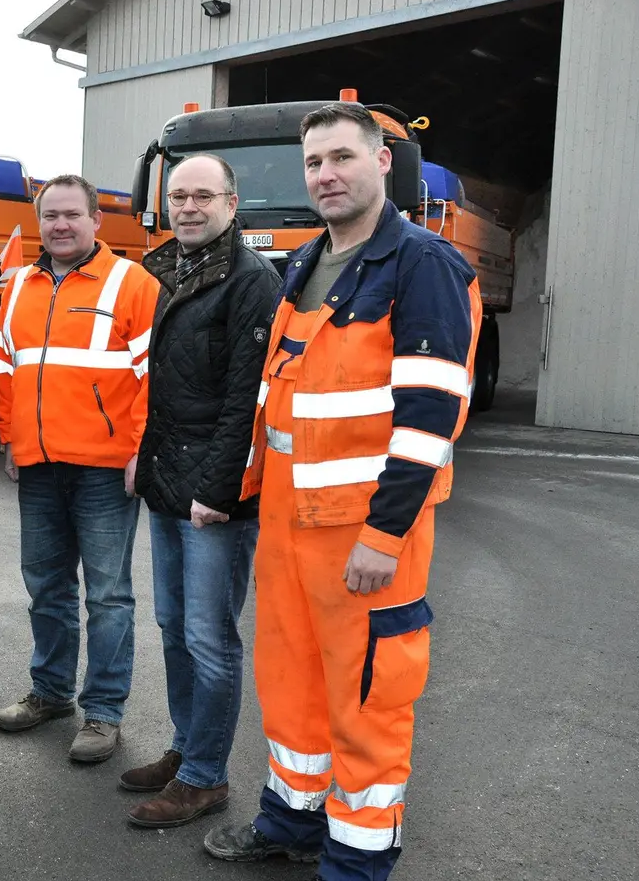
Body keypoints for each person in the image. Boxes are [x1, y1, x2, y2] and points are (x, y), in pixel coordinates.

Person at [201, 103, 480, 880]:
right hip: (292, 529)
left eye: (341, 158)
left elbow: (430, 419)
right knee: (292, 691)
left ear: (382, 161)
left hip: (364, 537)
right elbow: (282, 398)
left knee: (367, 703)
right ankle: (290, 820)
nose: (326, 174)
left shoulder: (423, 265)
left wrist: (383, 537)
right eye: (314, 162)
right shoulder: (305, 261)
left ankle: (357, 862)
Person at [122, 154, 280, 829]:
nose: (188, 207)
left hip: (215, 495)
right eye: (178, 196)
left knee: (210, 637)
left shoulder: (252, 281)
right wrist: (142, 457)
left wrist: (218, 489)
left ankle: (206, 778)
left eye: (202, 197)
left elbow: (249, 399)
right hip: (166, 480)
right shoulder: (160, 271)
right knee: (174, 628)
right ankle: (186, 749)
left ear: (231, 203)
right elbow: (150, 383)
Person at [0, 174, 160, 764]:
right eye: (50, 216)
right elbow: (3, 366)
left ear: (95, 221)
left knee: (108, 594)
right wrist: (9, 438)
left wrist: (139, 447)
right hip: (38, 464)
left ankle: (104, 712)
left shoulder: (131, 283)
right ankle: (51, 692)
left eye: (71, 215)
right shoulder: (21, 286)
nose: (60, 226)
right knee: (46, 587)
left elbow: (150, 377)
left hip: (106, 468)